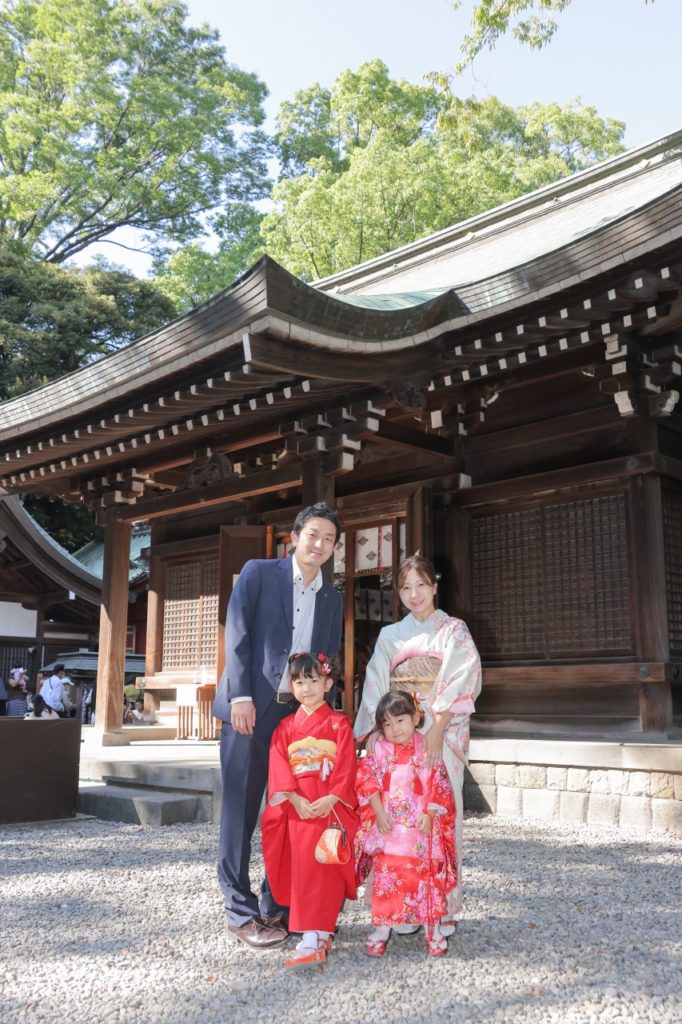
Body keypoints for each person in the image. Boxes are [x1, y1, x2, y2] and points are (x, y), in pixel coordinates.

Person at [212, 502, 344, 950]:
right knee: (242, 809)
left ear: (334, 547)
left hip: (297, 717)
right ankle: (239, 909)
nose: (319, 544)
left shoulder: (331, 597)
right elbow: (238, 633)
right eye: (313, 534)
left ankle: (279, 903)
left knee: (289, 810)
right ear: (295, 536)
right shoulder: (259, 572)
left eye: (329, 539)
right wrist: (240, 697)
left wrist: (323, 719)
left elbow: (326, 659)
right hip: (251, 708)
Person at [353, 553, 482, 930]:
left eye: (421, 585)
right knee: (398, 820)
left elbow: (464, 677)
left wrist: (437, 728)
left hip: (440, 731)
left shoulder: (454, 630)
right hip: (397, 734)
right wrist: (379, 730)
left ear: (435, 586)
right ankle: (402, 906)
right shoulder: (390, 635)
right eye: (406, 588)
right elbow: (377, 683)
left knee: (439, 817)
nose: (414, 594)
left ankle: (441, 907)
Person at [261, 652, 358, 969]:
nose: (306, 688)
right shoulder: (286, 727)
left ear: (328, 684)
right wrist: (292, 797)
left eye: (313, 681)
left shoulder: (339, 724)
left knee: (327, 871)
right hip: (299, 809)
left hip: (328, 808)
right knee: (304, 871)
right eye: (299, 682)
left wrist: (333, 797)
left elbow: (347, 765)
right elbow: (278, 763)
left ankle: (319, 934)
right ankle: (311, 937)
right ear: (292, 686)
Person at [355, 690, 456, 957]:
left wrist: (430, 815)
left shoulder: (426, 746)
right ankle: (382, 929)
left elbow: (439, 781)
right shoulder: (379, 750)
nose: (395, 729)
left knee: (426, 879)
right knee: (387, 878)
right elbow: (367, 781)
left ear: (415, 718)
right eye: (387, 724)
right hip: (389, 826)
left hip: (420, 828)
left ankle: (433, 930)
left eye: (400, 720)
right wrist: (378, 813)